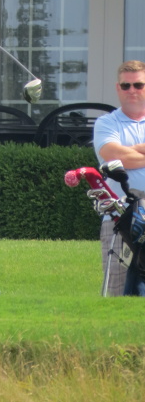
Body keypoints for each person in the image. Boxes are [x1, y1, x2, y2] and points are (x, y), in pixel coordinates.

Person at [94, 60, 145, 296]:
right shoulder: (107, 123)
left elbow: (123, 155)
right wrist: (125, 154)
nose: (132, 90)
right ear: (118, 88)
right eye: (126, 85)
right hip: (119, 217)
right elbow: (113, 156)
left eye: (138, 85)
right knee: (116, 293)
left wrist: (131, 151)